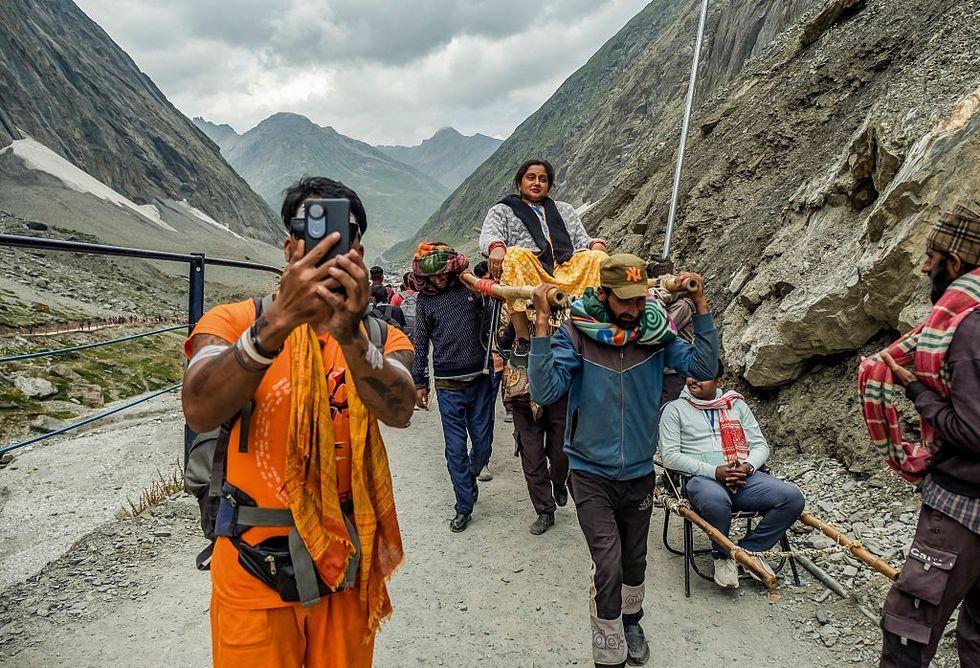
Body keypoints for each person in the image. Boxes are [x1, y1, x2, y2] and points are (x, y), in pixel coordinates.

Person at [181, 176, 416, 668]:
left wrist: (351, 336)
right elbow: (199, 405)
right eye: (308, 230)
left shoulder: (378, 335)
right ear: (289, 246)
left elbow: (399, 409)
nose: (325, 244)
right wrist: (275, 326)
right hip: (251, 564)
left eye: (341, 234)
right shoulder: (232, 320)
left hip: (345, 565)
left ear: (358, 250)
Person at [528, 254, 718, 668]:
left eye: (638, 301)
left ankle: (632, 621)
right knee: (609, 565)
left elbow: (705, 369)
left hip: (637, 471)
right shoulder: (577, 335)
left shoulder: (656, 336)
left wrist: (701, 307)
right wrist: (542, 327)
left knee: (635, 559)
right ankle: (607, 652)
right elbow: (544, 393)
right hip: (590, 472)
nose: (633, 310)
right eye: (624, 302)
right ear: (603, 295)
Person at [861, 205, 980, 667]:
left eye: (933, 256)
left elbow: (973, 430)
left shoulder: (967, 328)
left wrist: (914, 389)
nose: (926, 266)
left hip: (963, 507)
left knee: (908, 622)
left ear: (955, 262)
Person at [659, 360, 805, 589]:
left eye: (702, 375)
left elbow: (760, 446)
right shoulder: (674, 409)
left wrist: (747, 467)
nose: (692, 380)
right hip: (701, 479)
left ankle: (752, 550)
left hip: (743, 475)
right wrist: (714, 472)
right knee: (715, 501)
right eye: (690, 374)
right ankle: (723, 555)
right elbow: (670, 457)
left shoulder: (735, 405)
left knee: (792, 499)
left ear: (719, 382)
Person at [480, 159, 608, 363]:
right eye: (531, 178)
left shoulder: (564, 210)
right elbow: (489, 235)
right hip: (532, 269)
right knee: (514, 255)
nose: (537, 183)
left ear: (549, 185)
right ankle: (523, 339)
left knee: (598, 258)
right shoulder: (502, 210)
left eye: (543, 179)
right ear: (519, 183)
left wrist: (596, 245)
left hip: (566, 266)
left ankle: (595, 321)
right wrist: (496, 247)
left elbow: (582, 239)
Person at [410, 242, 495, 533]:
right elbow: (420, 344)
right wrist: (419, 382)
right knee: (455, 449)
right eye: (434, 276)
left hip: (481, 378)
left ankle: (469, 478)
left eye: (443, 273)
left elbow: (492, 317)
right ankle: (464, 506)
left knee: (483, 446)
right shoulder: (425, 302)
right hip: (447, 385)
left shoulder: (469, 289)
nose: (439, 279)